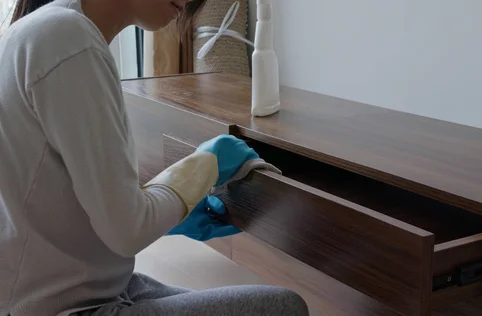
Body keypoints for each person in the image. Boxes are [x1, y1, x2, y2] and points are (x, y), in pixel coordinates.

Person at [0, 0, 309, 315]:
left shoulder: (39, 30)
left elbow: (61, 194)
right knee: (284, 307)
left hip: (77, 285)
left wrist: (171, 215)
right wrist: (208, 162)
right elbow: (127, 231)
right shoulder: (70, 41)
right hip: (66, 306)